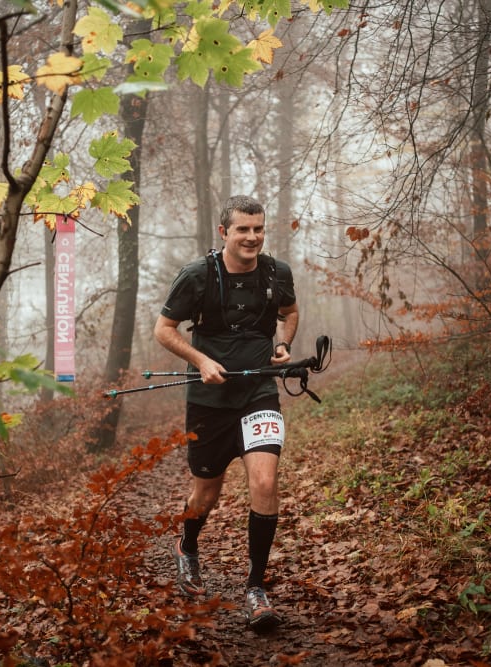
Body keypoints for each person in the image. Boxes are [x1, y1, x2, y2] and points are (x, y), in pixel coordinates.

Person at [154, 195, 299, 631]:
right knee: (206, 493)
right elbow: (163, 329)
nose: (252, 237)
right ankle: (187, 546)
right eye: (243, 229)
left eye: (258, 229)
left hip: (259, 393)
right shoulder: (197, 276)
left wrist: (283, 343)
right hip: (209, 401)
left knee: (265, 482)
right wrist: (200, 361)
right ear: (224, 233)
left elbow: (290, 312)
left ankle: (256, 589)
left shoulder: (276, 273)